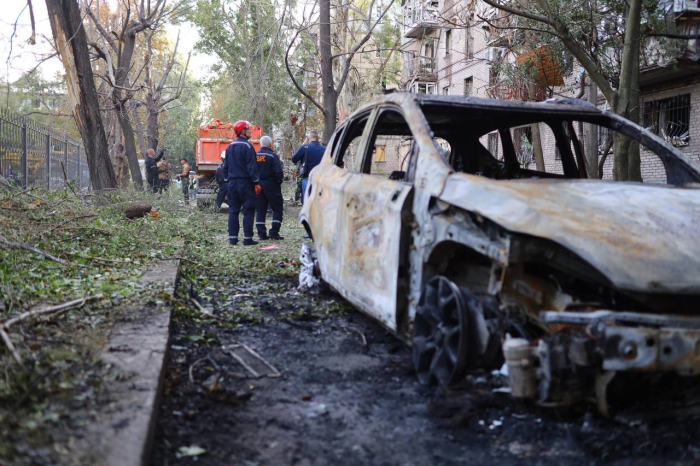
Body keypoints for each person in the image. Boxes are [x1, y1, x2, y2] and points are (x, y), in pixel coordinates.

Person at [226, 120, 261, 246]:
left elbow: (226, 166)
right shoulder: (248, 147)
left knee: (233, 210)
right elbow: (252, 167)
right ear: (242, 131)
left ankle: (233, 239)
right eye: (248, 129)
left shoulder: (229, 147)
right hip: (245, 183)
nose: (250, 131)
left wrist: (227, 180)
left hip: (232, 183)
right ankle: (247, 239)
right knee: (248, 210)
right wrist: (256, 182)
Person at [255, 136, 284, 240]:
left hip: (258, 185)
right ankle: (274, 231)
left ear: (260, 144)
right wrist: (278, 181)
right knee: (277, 208)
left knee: (260, 210)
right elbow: (279, 172)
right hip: (271, 185)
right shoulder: (272, 156)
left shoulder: (255, 156)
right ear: (271, 144)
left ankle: (261, 233)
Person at [291, 130, 326, 204]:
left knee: (307, 203)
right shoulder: (325, 149)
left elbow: (294, 159)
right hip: (321, 180)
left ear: (308, 138)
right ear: (317, 138)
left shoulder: (305, 147)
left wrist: (303, 144)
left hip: (307, 178)